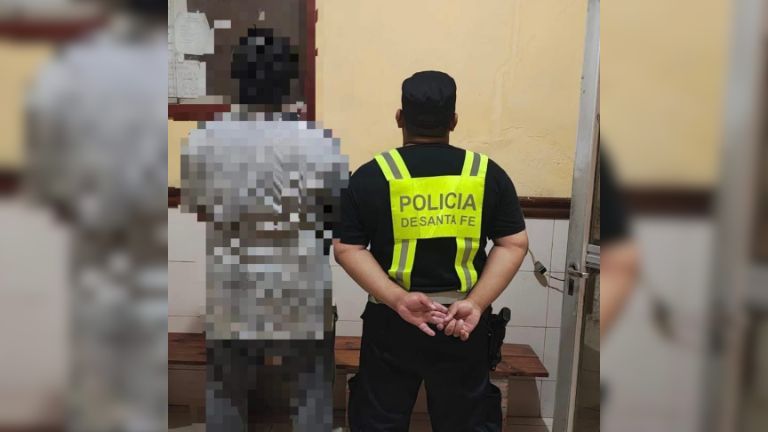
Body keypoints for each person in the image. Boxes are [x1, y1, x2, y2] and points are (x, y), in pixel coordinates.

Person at [333, 71, 529, 431]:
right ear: (453, 121)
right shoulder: (486, 173)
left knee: (379, 422)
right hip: (462, 322)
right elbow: (513, 243)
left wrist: (397, 299)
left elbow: (347, 248)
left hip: (392, 320)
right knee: (466, 423)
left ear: (400, 118)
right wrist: (476, 304)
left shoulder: (371, 175)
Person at [181, 26, 347, 431]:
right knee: (311, 392)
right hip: (302, 286)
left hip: (233, 286)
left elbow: (199, 208)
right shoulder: (317, 141)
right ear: (289, 81)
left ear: (236, 78)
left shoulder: (203, 140)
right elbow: (337, 210)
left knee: (226, 392)